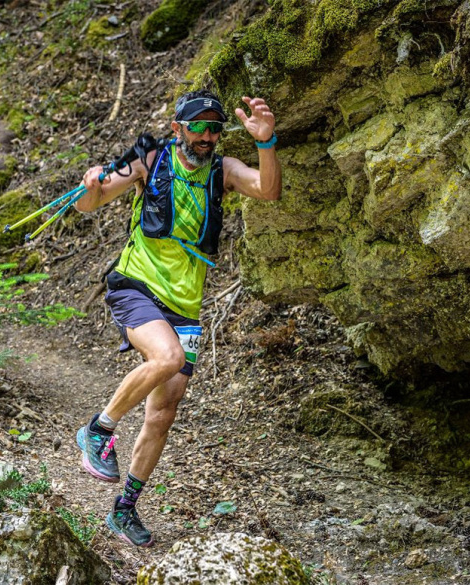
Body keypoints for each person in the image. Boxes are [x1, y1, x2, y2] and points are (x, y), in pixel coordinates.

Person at [73, 90, 281, 547]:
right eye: (198, 126)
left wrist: (265, 142)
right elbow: (89, 204)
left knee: (163, 412)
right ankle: (97, 430)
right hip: (136, 286)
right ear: (178, 128)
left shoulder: (222, 171)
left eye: (214, 128)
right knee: (165, 357)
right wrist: (91, 188)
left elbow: (268, 190)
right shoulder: (150, 159)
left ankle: (124, 509)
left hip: (186, 303)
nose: (207, 135)